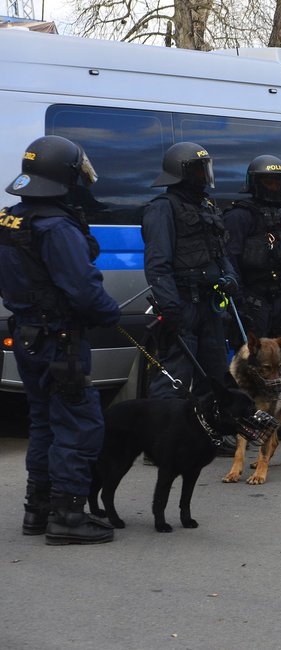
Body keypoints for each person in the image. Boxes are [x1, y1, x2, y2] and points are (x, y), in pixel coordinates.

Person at [0, 135, 120, 544]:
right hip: (60, 340)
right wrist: (110, 313)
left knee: (43, 422)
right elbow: (84, 290)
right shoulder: (56, 226)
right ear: (65, 177)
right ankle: (67, 517)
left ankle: (37, 510)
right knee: (78, 424)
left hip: (28, 334)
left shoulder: (11, 218)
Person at [142, 142, 240, 453]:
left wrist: (230, 278)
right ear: (180, 173)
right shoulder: (163, 208)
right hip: (182, 302)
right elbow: (157, 264)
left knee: (213, 374)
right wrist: (171, 310)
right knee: (175, 377)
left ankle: (207, 435)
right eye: (197, 169)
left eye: (205, 168)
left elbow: (220, 252)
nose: (204, 175)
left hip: (209, 304)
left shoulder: (206, 206)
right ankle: (159, 443)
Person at [223, 155, 281, 441]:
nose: (274, 186)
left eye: (279, 181)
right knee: (252, 368)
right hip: (254, 298)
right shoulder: (240, 216)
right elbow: (230, 260)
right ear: (255, 183)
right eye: (268, 180)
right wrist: (240, 300)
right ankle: (246, 423)